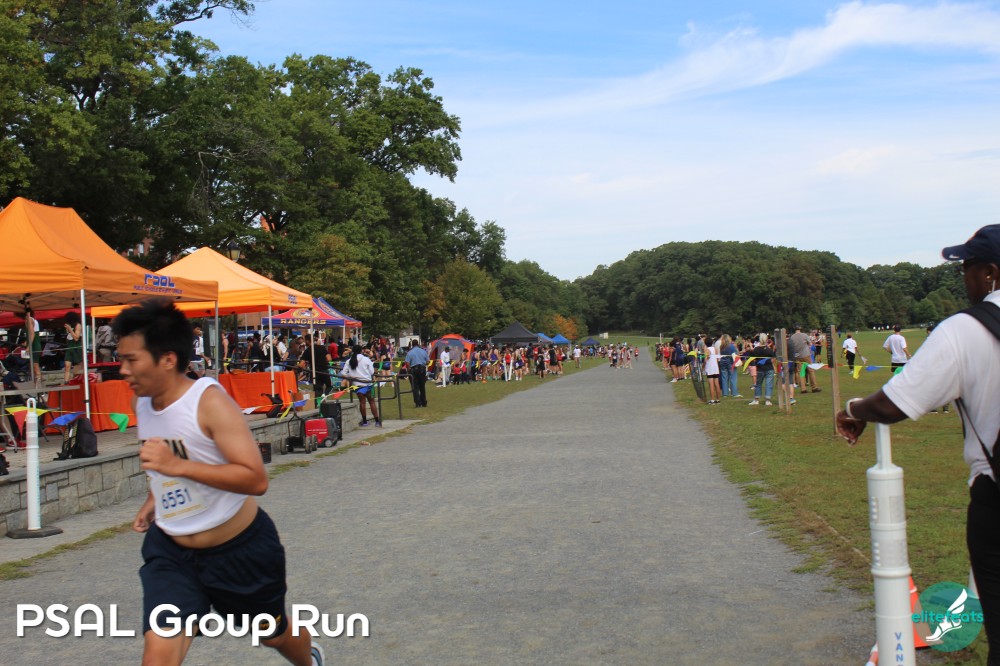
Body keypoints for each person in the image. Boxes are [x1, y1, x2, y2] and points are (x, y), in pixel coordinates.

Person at [112, 299, 322, 666]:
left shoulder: (208, 402)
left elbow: (255, 478)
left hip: (239, 551)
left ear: (167, 359)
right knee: (158, 653)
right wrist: (153, 499)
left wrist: (177, 466)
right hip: (171, 552)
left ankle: (311, 658)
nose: (123, 370)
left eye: (132, 360)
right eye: (121, 359)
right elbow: (168, 458)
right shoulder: (141, 403)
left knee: (273, 634)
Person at [837, 226, 1000, 664]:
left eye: (967, 268)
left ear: (990, 273)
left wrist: (853, 409)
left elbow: (893, 405)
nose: (964, 278)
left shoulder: (966, 329)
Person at [342, 345, 379, 426]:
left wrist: (351, 376)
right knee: (372, 402)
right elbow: (372, 372)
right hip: (368, 383)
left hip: (357, 384)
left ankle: (365, 422)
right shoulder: (366, 359)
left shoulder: (349, 361)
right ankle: (377, 421)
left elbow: (344, 373)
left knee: (362, 403)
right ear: (361, 350)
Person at [747, 333, 776, 406]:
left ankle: (756, 400)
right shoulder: (769, 350)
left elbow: (752, 359)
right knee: (768, 385)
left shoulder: (756, 350)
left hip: (760, 369)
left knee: (758, 384)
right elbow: (773, 359)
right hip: (769, 368)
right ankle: (767, 400)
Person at [788, 324, 819, 393]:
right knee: (811, 370)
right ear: (800, 328)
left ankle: (803, 388)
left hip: (797, 356)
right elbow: (810, 344)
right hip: (806, 355)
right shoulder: (804, 335)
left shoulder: (792, 337)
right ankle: (814, 387)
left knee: (801, 372)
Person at [405, 340, 428, 408]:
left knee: (415, 387)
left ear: (412, 345)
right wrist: (423, 364)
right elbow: (428, 361)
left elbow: (407, 363)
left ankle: (418, 403)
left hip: (414, 370)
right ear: (418, 344)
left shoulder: (410, 352)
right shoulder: (423, 351)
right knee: (422, 386)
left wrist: (408, 370)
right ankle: (423, 402)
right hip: (422, 370)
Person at [63, 311, 83, 383]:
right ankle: (66, 381)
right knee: (67, 366)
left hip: (76, 346)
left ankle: (76, 380)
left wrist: (70, 330)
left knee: (77, 367)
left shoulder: (78, 325)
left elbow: (76, 338)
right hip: (70, 347)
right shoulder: (69, 325)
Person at [24, 307, 42, 385]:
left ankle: (38, 385)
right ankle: (36, 383)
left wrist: (29, 346)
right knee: (34, 366)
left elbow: (32, 334)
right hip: (35, 344)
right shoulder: (33, 320)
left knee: (35, 365)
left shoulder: (29, 319)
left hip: (34, 345)